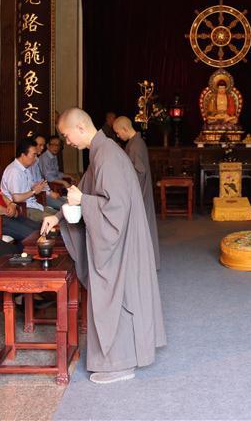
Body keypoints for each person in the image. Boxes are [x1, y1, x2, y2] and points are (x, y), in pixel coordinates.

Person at [41, 108, 165, 385]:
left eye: (66, 134)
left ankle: (120, 362)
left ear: (81, 127)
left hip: (119, 241)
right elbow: (83, 194)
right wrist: (58, 215)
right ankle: (117, 358)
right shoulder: (100, 152)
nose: (66, 141)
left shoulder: (107, 155)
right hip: (117, 237)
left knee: (116, 295)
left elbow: (114, 208)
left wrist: (82, 202)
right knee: (111, 295)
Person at [113, 116, 160, 270]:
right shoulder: (135, 142)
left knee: (141, 226)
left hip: (139, 191)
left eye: (118, 132)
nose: (118, 136)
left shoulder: (135, 145)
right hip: (139, 190)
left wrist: (128, 191)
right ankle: (144, 261)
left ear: (125, 129)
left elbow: (139, 171)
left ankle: (143, 263)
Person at [1, 137, 57, 224]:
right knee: (55, 220)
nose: (35, 158)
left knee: (60, 216)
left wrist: (38, 186)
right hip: (24, 209)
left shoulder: (25, 169)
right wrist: (34, 191)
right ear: (23, 155)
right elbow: (16, 198)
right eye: (33, 155)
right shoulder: (14, 171)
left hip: (33, 205)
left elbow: (30, 186)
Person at [29, 135, 64, 210]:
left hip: (42, 193)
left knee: (67, 203)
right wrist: (50, 193)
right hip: (36, 197)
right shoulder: (28, 163)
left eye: (43, 145)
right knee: (65, 207)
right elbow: (33, 185)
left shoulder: (36, 161)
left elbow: (41, 181)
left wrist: (50, 192)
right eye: (40, 145)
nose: (42, 148)